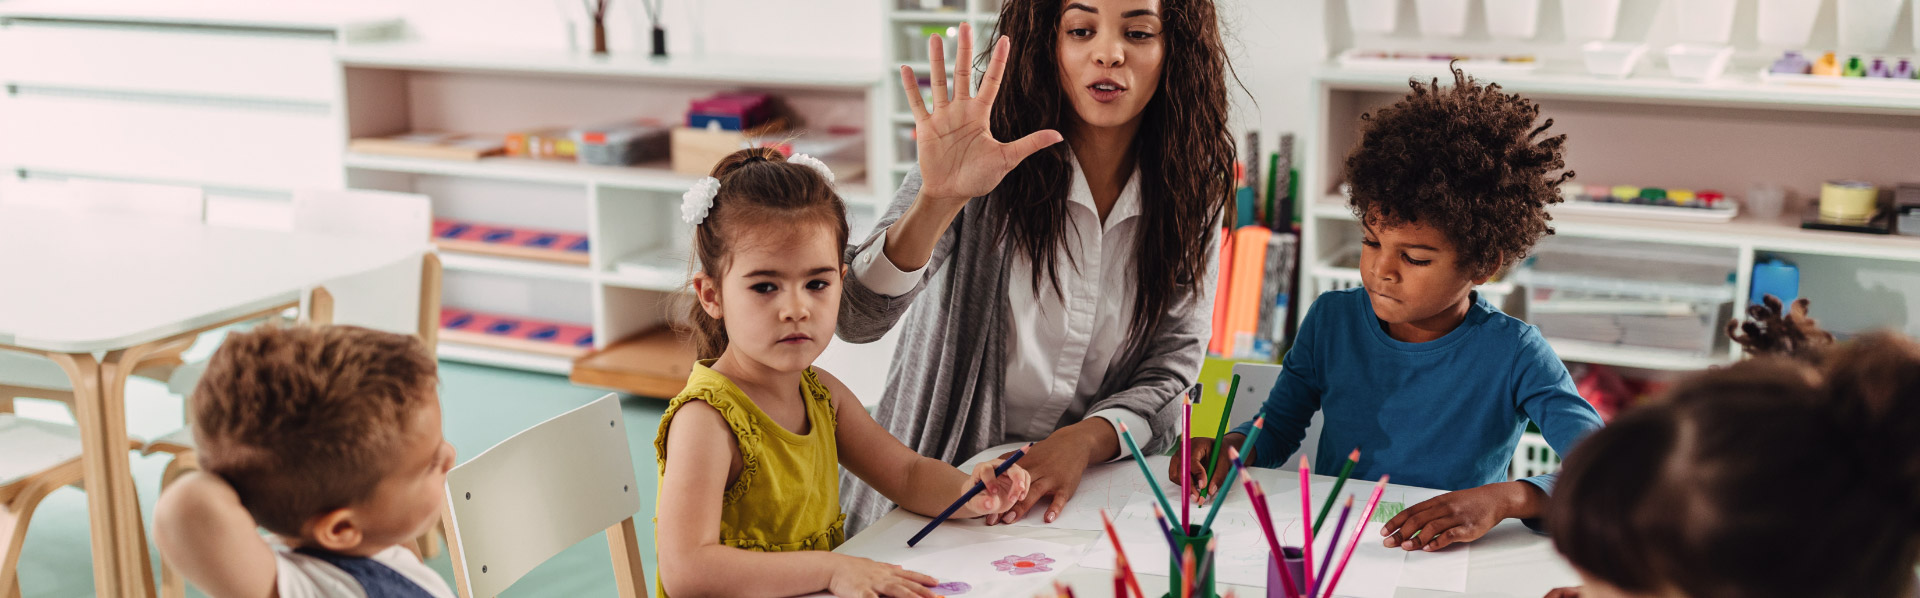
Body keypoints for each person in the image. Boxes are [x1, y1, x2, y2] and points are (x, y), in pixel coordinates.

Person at [840, 0, 1238, 533]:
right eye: (1080, 29)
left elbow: (1172, 368)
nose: (1109, 54)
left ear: (1176, 51)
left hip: (1075, 502)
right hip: (930, 495)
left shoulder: (1196, 185)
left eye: (1139, 33)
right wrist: (938, 199)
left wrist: (1082, 441)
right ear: (1047, 41)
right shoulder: (983, 149)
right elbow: (855, 319)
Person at [1174, 67, 1604, 552]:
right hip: (1342, 547)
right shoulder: (1331, 322)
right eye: (1371, 241)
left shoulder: (1516, 353)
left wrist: (1507, 499)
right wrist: (1230, 448)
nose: (1381, 270)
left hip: (1450, 564)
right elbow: (1276, 428)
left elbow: (1606, 468)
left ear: (1483, 264)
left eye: (1415, 257)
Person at [654, 148, 1032, 598]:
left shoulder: (821, 394)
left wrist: (973, 491)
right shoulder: (706, 420)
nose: (796, 309)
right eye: (765, 287)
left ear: (842, 280)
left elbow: (907, 475)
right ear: (711, 295)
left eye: (817, 283)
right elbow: (686, 570)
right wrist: (832, 570)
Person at [153, 325, 457, 598]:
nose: (450, 455)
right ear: (340, 528)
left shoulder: (380, 543)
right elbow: (185, 507)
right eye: (429, 465)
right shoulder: (314, 587)